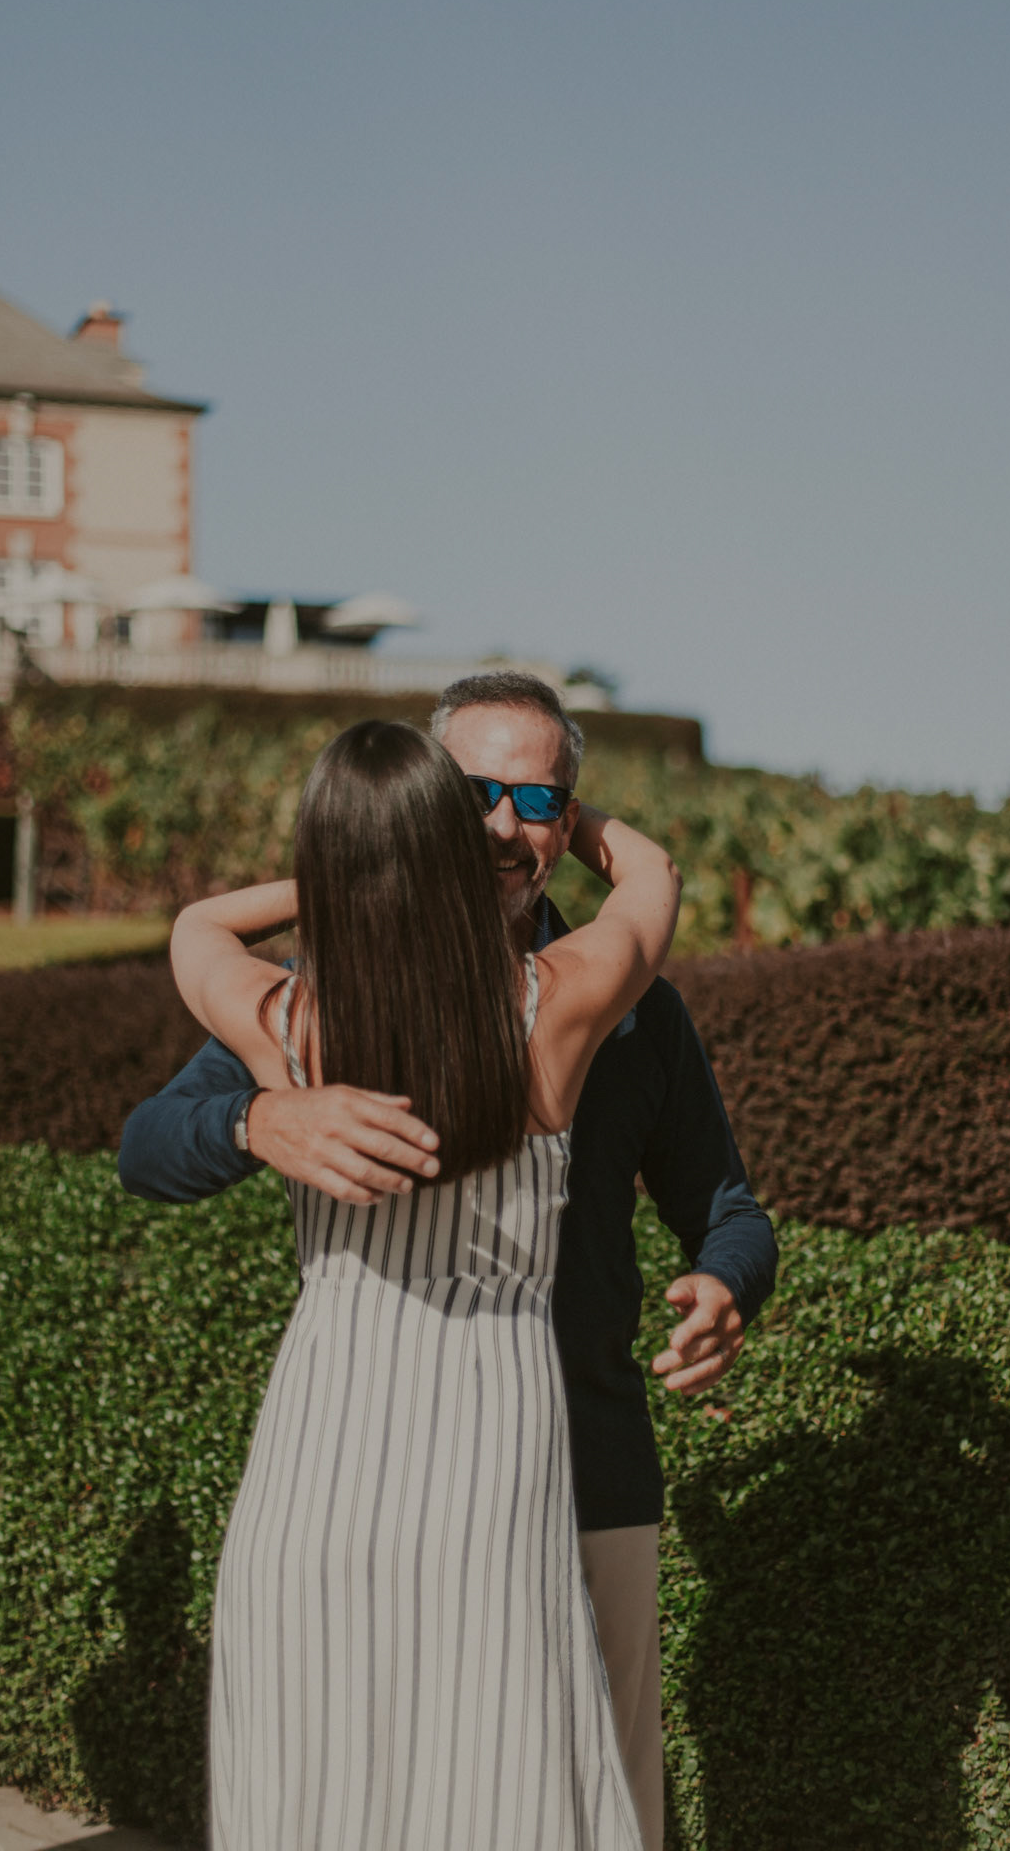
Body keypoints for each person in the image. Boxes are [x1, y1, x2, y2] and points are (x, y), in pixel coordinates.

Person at [120, 674, 778, 1851]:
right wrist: (252, 1124)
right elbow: (145, 1146)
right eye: (473, 795)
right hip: (491, 1456)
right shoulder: (568, 1004)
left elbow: (726, 1203)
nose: (506, 825)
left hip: (530, 1465)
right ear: (428, 812)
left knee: (378, 1792)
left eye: (540, 800)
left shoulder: (292, 1014)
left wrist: (730, 1275)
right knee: (508, 1792)